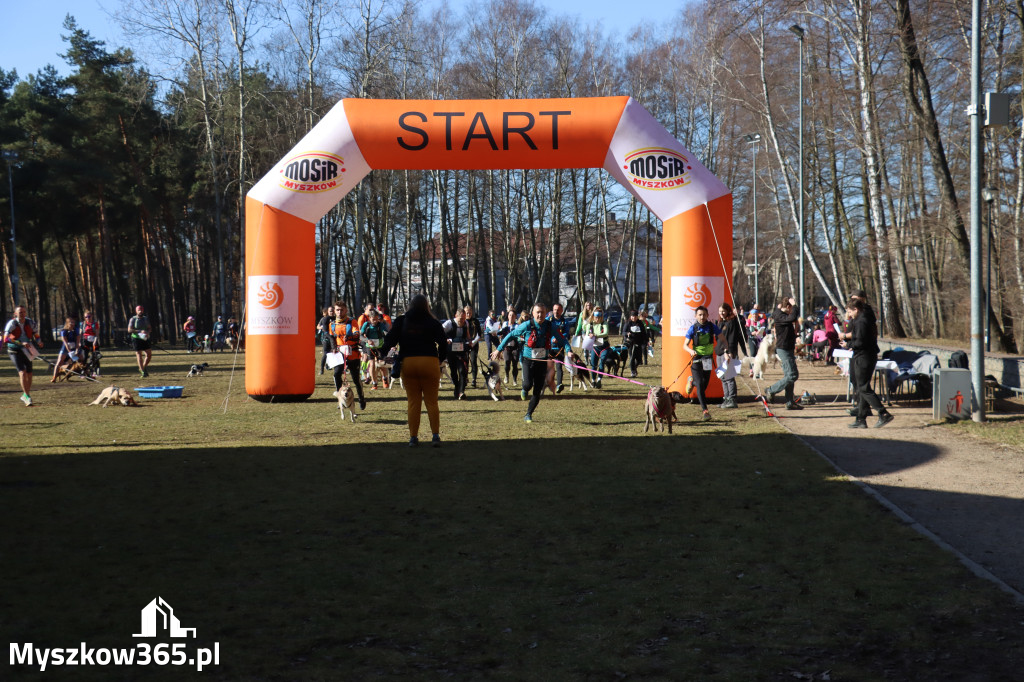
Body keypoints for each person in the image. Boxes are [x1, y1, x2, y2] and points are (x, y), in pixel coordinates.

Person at [379, 294, 447, 447]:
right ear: (426, 305)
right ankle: (435, 436)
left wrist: (381, 353)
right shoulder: (433, 321)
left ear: (410, 305)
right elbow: (443, 343)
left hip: (409, 362)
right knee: (432, 402)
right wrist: (440, 359)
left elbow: (390, 339)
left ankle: (413, 438)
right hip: (429, 362)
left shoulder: (402, 320)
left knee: (413, 402)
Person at [491, 303, 573, 423]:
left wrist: (569, 351)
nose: (540, 315)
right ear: (533, 314)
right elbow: (511, 335)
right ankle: (524, 389)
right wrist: (499, 349)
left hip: (542, 362)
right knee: (528, 384)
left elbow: (563, 339)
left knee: (538, 390)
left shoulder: (550, 326)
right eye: (537, 312)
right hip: (528, 360)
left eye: (542, 312)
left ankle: (528, 414)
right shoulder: (527, 325)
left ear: (546, 314)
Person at [843, 297, 894, 429]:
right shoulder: (864, 319)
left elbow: (860, 342)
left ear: (856, 309)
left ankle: (883, 413)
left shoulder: (861, 322)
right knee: (862, 387)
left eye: (850, 311)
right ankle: (861, 418)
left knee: (863, 387)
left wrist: (848, 344)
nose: (849, 314)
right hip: (866, 355)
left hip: (864, 356)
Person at [761, 297, 801, 410]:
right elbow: (792, 317)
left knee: (789, 376)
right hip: (783, 349)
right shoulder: (780, 315)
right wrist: (796, 306)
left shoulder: (781, 314)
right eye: (791, 308)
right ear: (788, 307)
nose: (792, 311)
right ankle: (771, 390)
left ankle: (789, 402)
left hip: (787, 348)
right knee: (793, 375)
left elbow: (791, 320)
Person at [684, 305, 721, 422]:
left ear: (708, 315)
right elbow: (684, 345)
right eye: (700, 315)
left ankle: (691, 381)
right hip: (696, 359)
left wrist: (724, 348)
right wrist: (691, 351)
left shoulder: (711, 327)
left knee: (704, 384)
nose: (702, 317)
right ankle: (705, 410)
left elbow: (722, 338)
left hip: (707, 359)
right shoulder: (693, 328)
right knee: (700, 384)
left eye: (704, 315)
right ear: (696, 316)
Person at [4, 305, 44, 406]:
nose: (22, 314)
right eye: (20, 312)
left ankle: (26, 394)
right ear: (15, 314)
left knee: (30, 373)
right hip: (14, 350)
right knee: (22, 372)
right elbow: (6, 338)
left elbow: (36, 334)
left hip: (28, 349)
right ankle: (27, 396)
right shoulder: (12, 323)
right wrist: (20, 343)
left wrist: (39, 341)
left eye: (24, 312)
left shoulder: (30, 322)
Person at [331, 302, 366, 410]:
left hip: (353, 355)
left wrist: (349, 336)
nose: (339, 312)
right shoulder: (332, 324)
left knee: (356, 379)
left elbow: (357, 334)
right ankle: (340, 399)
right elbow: (331, 337)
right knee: (337, 374)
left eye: (341, 310)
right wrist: (333, 347)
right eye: (337, 310)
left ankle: (361, 398)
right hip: (340, 355)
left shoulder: (352, 321)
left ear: (346, 310)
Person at [715, 302, 744, 409]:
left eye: (723, 311)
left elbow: (731, 338)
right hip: (720, 352)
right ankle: (726, 399)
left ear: (728, 311)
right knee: (722, 377)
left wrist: (728, 352)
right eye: (719, 311)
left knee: (729, 376)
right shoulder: (721, 322)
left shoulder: (731, 322)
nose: (721, 313)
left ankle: (732, 399)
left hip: (728, 352)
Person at [442, 308, 472, 399]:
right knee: (454, 372)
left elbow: (467, 335)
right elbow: (439, 332)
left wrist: (469, 341)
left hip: (462, 351)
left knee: (463, 371)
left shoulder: (466, 323)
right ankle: (457, 387)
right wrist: (446, 339)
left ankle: (462, 392)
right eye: (460, 319)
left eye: (464, 319)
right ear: (456, 316)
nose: (462, 321)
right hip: (451, 352)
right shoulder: (449, 323)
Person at [360, 308, 389, 389]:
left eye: (376, 319)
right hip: (370, 347)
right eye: (373, 319)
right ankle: (374, 383)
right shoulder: (366, 324)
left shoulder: (381, 324)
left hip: (380, 346)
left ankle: (385, 378)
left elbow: (386, 332)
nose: (375, 321)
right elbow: (360, 335)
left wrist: (387, 336)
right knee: (372, 364)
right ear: (369, 318)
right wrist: (367, 340)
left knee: (381, 364)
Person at [547, 302, 573, 392]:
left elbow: (566, 333)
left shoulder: (565, 322)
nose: (556, 312)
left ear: (561, 311)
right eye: (554, 310)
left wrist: (559, 337)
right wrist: (552, 338)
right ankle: (548, 383)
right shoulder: (548, 320)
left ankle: (559, 384)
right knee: (548, 367)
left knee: (559, 367)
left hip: (560, 348)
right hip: (549, 347)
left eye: (558, 310)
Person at [583, 306, 610, 388]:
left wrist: (596, 335)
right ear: (593, 316)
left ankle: (599, 379)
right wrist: (589, 336)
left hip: (604, 346)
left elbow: (606, 333)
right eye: (596, 317)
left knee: (602, 362)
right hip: (594, 347)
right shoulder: (590, 324)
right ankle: (593, 380)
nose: (597, 319)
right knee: (594, 365)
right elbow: (587, 334)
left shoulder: (604, 323)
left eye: (599, 317)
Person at [51, 317, 81, 382]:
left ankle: (86, 375)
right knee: (59, 361)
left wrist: (76, 350)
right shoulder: (64, 331)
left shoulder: (76, 330)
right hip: (65, 348)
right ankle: (54, 377)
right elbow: (65, 342)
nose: (72, 324)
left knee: (81, 359)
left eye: (73, 322)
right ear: (67, 323)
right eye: (71, 322)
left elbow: (78, 341)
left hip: (74, 346)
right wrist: (70, 352)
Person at [621, 309, 650, 378]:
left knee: (639, 360)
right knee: (632, 357)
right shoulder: (628, 323)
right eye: (632, 316)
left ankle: (634, 367)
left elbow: (644, 333)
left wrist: (647, 340)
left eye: (635, 316)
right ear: (630, 317)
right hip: (630, 343)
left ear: (637, 317)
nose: (633, 318)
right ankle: (633, 371)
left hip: (639, 342)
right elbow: (623, 332)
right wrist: (627, 333)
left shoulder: (640, 323)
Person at [128, 305, 152, 378]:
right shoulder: (133, 319)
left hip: (144, 338)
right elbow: (129, 330)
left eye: (141, 310)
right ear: (136, 311)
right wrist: (139, 331)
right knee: (139, 355)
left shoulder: (145, 319)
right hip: (136, 338)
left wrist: (147, 332)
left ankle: (143, 367)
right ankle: (142, 371)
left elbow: (149, 328)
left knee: (149, 354)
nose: (140, 311)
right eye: (139, 310)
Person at [498, 309, 521, 386]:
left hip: (515, 347)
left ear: (515, 317)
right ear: (508, 316)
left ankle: (514, 379)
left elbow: (518, 335)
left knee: (515, 364)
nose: (511, 317)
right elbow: (500, 332)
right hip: (507, 347)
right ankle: (507, 375)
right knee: (507, 361)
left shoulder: (517, 326)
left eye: (513, 315)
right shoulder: (505, 324)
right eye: (510, 315)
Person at [463, 305, 483, 388]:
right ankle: (465, 378)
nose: (468, 313)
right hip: (465, 344)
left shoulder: (475, 321)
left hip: (474, 344)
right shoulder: (462, 321)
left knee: (473, 361)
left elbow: (479, 334)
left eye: (470, 312)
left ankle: (474, 379)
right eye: (466, 312)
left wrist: (474, 342)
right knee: (465, 361)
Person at [80, 310, 101, 375]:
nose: (88, 318)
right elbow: (80, 333)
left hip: (93, 341)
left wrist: (95, 341)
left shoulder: (95, 324)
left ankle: (96, 371)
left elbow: (97, 334)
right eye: (86, 317)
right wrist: (79, 342)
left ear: (91, 316)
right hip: (85, 341)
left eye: (89, 316)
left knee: (95, 356)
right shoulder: (83, 324)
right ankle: (83, 371)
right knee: (85, 357)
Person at [317, 306, 335, 374]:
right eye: (330, 311)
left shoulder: (336, 318)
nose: (332, 312)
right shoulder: (324, 319)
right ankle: (321, 369)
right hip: (326, 338)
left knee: (332, 353)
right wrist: (321, 328)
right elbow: (318, 326)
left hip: (333, 338)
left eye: (333, 311)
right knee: (325, 353)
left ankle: (329, 365)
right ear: (328, 312)